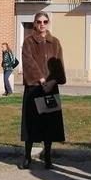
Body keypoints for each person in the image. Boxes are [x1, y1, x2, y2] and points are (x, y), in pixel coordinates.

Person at [19, 13, 66, 170]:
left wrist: (53, 81)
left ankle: (47, 157)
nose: (42, 24)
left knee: (49, 124)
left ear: (48, 23)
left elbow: (59, 64)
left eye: (45, 21)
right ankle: (27, 157)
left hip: (50, 88)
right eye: (39, 22)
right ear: (35, 23)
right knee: (31, 123)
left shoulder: (55, 42)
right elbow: (28, 62)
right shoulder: (28, 42)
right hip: (35, 88)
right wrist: (40, 79)